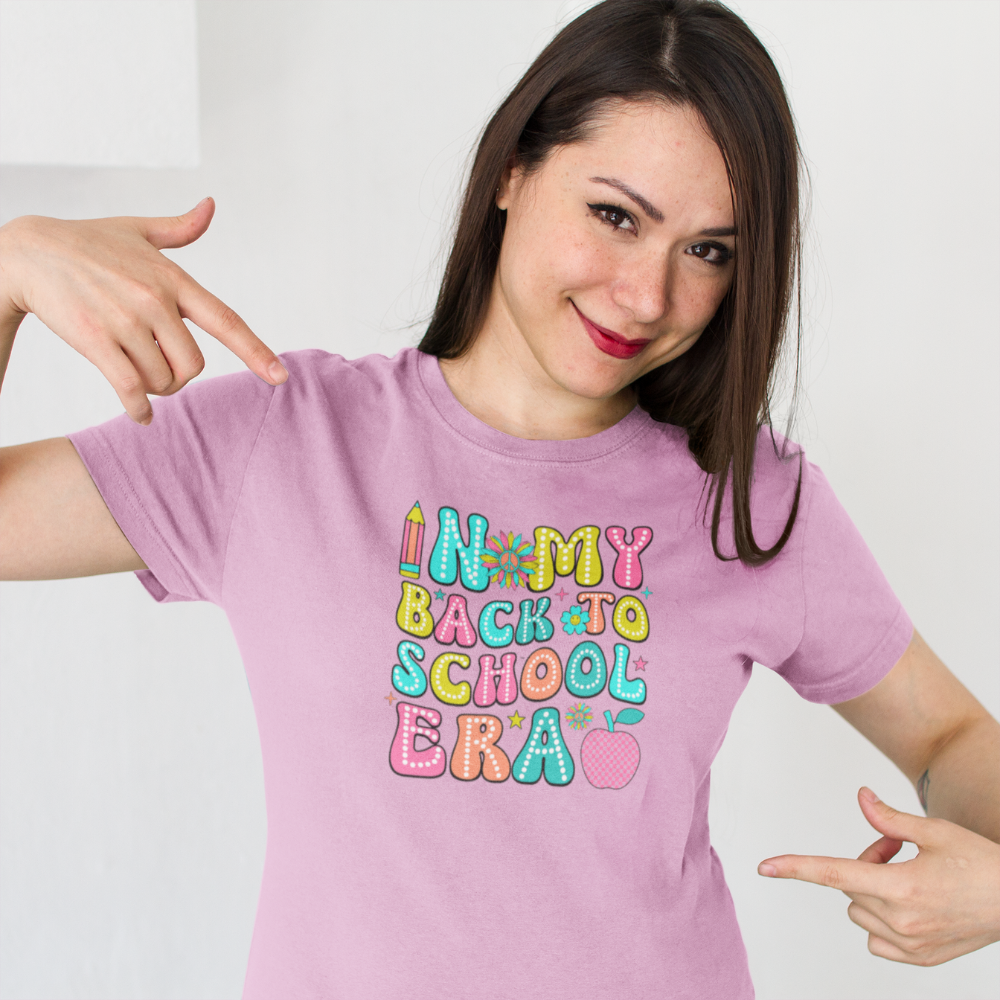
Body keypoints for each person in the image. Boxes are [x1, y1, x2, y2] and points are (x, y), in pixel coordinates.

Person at [0, 0, 997, 996]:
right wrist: (7, 270)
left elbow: (953, 737)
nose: (648, 294)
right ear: (515, 168)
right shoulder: (284, 438)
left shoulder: (752, 501)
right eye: (615, 216)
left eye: (708, 251)